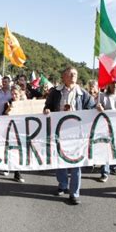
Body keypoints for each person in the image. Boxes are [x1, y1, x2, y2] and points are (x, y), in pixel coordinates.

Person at [43, 67, 97, 205]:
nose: (73, 76)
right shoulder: (55, 92)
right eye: (70, 74)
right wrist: (47, 109)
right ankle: (62, 185)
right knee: (60, 160)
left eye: (75, 74)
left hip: (76, 133)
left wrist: (98, 108)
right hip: (59, 131)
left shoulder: (83, 93)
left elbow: (92, 107)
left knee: (76, 163)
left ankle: (74, 193)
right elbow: (47, 106)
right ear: (64, 77)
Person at [96, 80, 116, 182]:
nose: (114, 85)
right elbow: (93, 107)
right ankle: (104, 172)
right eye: (112, 83)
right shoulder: (102, 96)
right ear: (108, 84)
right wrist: (97, 107)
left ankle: (113, 167)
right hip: (105, 125)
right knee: (106, 148)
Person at [3, 85, 26, 183]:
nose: (14, 95)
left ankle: (17, 173)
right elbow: (3, 116)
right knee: (11, 151)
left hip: (22, 130)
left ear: (20, 93)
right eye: (12, 93)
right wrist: (8, 109)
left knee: (19, 152)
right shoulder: (7, 103)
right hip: (11, 130)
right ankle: (8, 167)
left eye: (15, 93)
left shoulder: (25, 103)